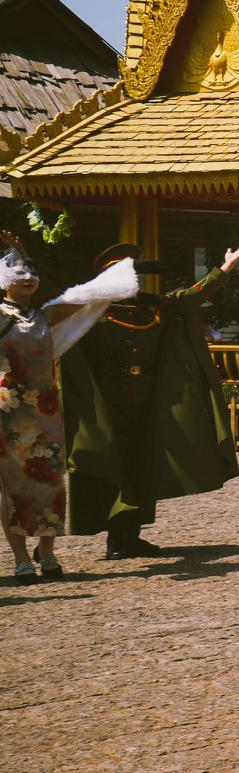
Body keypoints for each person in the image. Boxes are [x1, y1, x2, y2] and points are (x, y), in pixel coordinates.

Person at [61, 240, 239, 557]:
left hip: (148, 397)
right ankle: (116, 537)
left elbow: (191, 297)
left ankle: (129, 536)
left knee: (143, 463)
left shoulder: (155, 307)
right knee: (112, 462)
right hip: (106, 401)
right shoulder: (89, 309)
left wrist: (225, 268)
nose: (131, 282)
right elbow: (48, 305)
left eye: (134, 275)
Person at [0, 239, 137, 581]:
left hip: (44, 409)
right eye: (18, 271)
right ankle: (20, 559)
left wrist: (124, 270)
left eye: (32, 271)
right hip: (6, 411)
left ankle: (47, 553)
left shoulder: (46, 314)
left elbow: (84, 296)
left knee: (50, 482)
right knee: (10, 485)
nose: (28, 276)